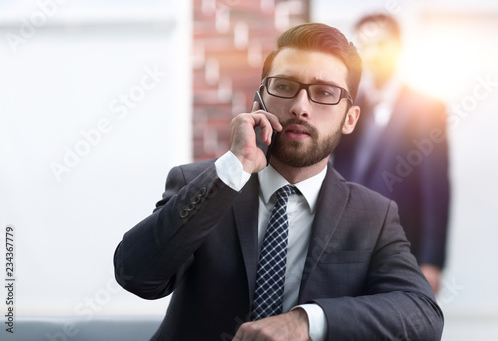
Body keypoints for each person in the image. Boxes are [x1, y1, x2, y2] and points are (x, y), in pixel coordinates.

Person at [114, 23, 443, 340]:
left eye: (324, 93)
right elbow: (137, 276)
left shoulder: (373, 215)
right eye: (284, 87)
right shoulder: (202, 182)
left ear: (350, 118)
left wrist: (307, 321)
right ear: (259, 101)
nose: (300, 108)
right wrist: (235, 168)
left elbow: (422, 315)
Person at [332, 14, 450, 294]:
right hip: (346, 246)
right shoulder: (345, 107)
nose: (372, 54)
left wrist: (432, 262)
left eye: (380, 44)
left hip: (401, 246)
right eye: (364, 46)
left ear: (397, 47)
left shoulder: (427, 108)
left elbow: (436, 190)